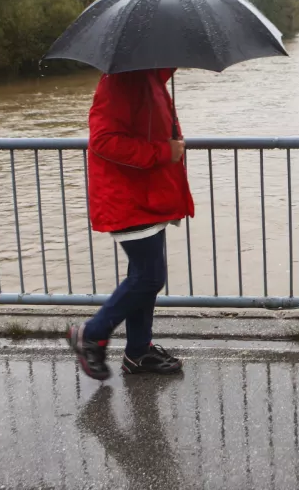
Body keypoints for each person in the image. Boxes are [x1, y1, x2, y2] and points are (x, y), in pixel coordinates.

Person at [67, 68, 194, 380]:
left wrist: (170, 146)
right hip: (127, 199)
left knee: (143, 277)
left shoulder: (148, 78)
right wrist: (165, 151)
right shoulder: (119, 82)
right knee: (150, 278)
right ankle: (91, 334)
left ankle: (138, 352)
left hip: (147, 198)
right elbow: (103, 141)